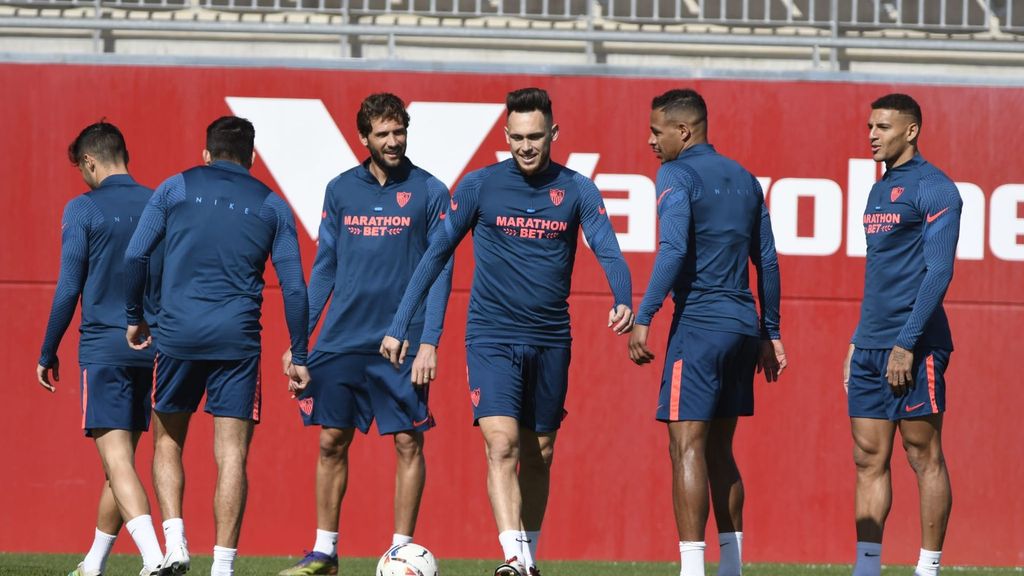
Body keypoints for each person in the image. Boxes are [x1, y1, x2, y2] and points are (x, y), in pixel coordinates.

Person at [381, 87, 634, 576]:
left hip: (550, 338)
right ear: (505, 136)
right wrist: (401, 325)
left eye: (535, 136)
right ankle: (513, 558)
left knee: (540, 452)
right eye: (517, 137)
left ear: (553, 134)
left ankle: (529, 556)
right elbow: (435, 254)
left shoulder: (579, 189)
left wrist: (623, 296)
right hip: (491, 336)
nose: (526, 147)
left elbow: (606, 247)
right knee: (501, 445)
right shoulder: (479, 186)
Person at [123, 116, 311, 576]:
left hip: (178, 335)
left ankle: (175, 544)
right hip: (237, 341)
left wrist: (134, 316)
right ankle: (222, 567)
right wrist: (301, 352)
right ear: (251, 156)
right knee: (232, 454)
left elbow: (135, 255)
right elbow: (294, 288)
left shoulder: (174, 189)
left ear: (205, 153)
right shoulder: (271, 205)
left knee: (167, 441)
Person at [277, 93, 454, 576]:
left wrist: (430, 341)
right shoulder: (340, 190)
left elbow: (441, 269)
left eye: (399, 132)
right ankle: (324, 553)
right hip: (342, 339)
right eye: (383, 134)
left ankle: (400, 553)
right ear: (364, 138)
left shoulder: (430, 191)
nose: (393, 141)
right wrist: (299, 341)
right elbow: (326, 265)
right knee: (331, 440)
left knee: (407, 444)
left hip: (402, 342)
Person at [627, 89, 786, 576]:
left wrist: (645, 314)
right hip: (742, 328)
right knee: (720, 449)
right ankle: (732, 567)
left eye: (657, 131)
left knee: (686, 446)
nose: (650, 141)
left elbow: (672, 250)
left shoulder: (676, 173)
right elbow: (769, 262)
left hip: (699, 326)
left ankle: (692, 570)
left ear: (684, 130)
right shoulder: (745, 178)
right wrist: (770, 331)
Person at [37, 121, 165, 576]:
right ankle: (93, 564)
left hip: (105, 348)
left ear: (89, 162)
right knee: (123, 463)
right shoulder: (159, 202)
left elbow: (69, 285)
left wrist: (47, 349)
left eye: (81, 168)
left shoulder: (83, 208)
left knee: (116, 460)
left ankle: (154, 558)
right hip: (154, 348)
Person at [844, 93, 961, 576]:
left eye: (883, 127)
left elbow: (938, 272)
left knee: (922, 453)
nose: (873, 134)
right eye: (870, 126)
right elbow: (881, 272)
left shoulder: (937, 189)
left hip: (915, 345)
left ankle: (927, 568)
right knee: (868, 457)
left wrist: (905, 343)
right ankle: (866, 567)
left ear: (911, 130)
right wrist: (860, 337)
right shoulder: (877, 189)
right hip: (871, 344)